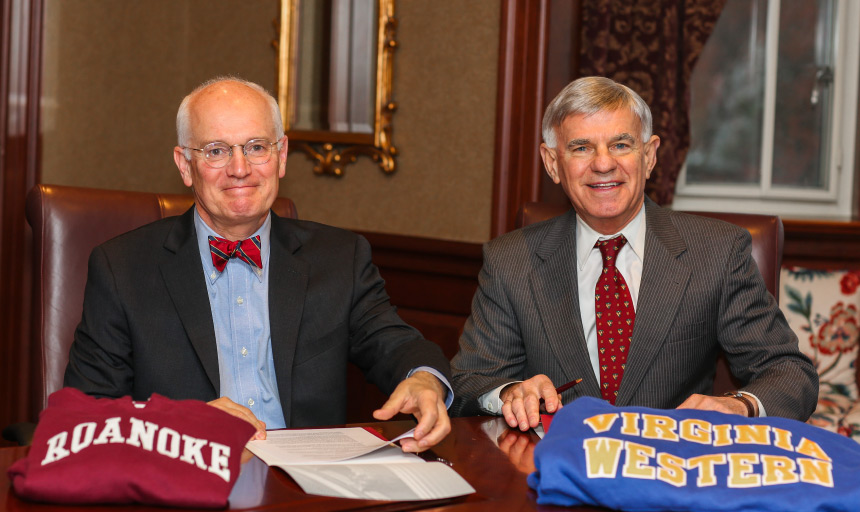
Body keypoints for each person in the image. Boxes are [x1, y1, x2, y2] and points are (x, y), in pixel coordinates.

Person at [64, 77, 452, 452]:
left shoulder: (339, 258)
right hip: (188, 482)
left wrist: (423, 378)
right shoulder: (123, 268)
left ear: (281, 156)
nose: (240, 168)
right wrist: (179, 423)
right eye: (216, 150)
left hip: (308, 491)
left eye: (255, 147)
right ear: (185, 165)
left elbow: (395, 343)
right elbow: (83, 416)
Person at [450, 76, 817, 430]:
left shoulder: (717, 253)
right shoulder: (510, 262)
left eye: (621, 144)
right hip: (554, 471)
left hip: (672, 470)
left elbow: (788, 372)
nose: (603, 163)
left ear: (650, 155)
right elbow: (470, 381)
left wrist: (739, 405)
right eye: (581, 147)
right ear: (552, 163)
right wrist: (510, 393)